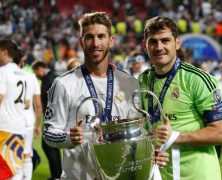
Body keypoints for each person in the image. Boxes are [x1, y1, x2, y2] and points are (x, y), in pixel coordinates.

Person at [42, 12, 168, 180]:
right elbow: (48, 132)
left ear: (111, 40)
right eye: (89, 37)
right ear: (81, 42)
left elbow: (138, 134)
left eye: (101, 36)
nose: (95, 43)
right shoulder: (64, 83)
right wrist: (69, 138)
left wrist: (153, 152)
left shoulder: (129, 83)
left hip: (121, 176)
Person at [138, 16, 222, 179]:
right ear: (146, 45)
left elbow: (221, 133)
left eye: (165, 40)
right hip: (161, 174)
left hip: (198, 174)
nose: (159, 47)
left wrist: (175, 137)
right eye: (153, 42)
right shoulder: (143, 81)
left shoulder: (197, 79)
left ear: (177, 43)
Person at [0, 39, 27, 180]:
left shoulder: (1, 71)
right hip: (19, 129)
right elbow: (25, 103)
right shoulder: (23, 74)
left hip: (1, 128)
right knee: (12, 171)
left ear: (4, 51)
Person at [32, 60, 62, 180]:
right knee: (51, 146)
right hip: (54, 118)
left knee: (48, 145)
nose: (36, 75)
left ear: (40, 68)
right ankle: (58, 174)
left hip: (54, 118)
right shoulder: (52, 77)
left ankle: (56, 175)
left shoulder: (50, 79)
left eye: (36, 72)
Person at [15, 50, 43, 180]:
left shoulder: (6, 75)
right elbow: (38, 105)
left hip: (13, 119)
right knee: (27, 153)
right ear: (22, 60)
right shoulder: (32, 77)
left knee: (14, 152)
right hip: (29, 119)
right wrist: (38, 125)